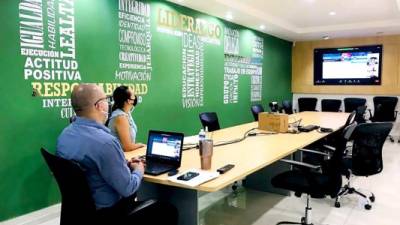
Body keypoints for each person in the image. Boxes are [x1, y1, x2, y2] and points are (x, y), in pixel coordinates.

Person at [56, 84, 177, 225]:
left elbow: (91, 166)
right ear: (100, 105)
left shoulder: (64, 136)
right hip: (109, 214)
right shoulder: (105, 143)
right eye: (106, 99)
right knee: (169, 210)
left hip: (78, 213)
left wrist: (124, 165)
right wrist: (139, 169)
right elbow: (128, 188)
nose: (108, 103)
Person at [108, 86, 145, 152]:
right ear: (129, 101)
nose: (135, 97)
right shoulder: (120, 117)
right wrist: (141, 145)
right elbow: (127, 147)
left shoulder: (127, 113)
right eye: (134, 95)